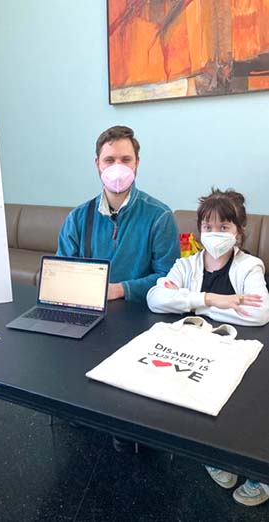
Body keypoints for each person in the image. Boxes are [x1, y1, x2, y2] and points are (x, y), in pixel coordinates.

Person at [147, 188, 269, 506]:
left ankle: (258, 472)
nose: (215, 234)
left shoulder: (250, 266)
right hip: (200, 350)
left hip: (243, 350)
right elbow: (156, 299)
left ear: (239, 231)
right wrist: (213, 300)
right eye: (208, 227)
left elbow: (259, 313)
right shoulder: (188, 263)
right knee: (203, 403)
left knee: (248, 407)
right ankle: (215, 456)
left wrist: (192, 306)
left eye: (224, 227)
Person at [56, 125, 180, 302]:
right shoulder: (77, 218)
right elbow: (62, 272)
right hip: (89, 307)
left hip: (140, 312)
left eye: (126, 159)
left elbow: (169, 278)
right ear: (97, 163)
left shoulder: (160, 216)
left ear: (137, 162)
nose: (118, 168)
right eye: (109, 160)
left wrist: (122, 289)